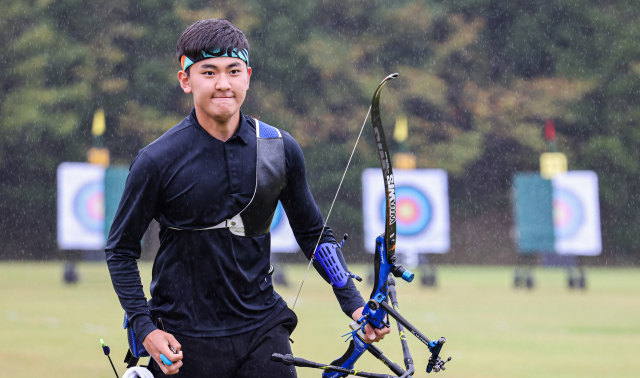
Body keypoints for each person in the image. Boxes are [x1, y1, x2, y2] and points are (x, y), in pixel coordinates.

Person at [105, 18, 389, 378]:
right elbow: (120, 249)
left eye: (233, 71)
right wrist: (146, 330)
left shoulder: (279, 148)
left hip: (263, 332)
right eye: (208, 72)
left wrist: (356, 305)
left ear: (248, 76)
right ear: (185, 80)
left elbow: (312, 234)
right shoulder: (156, 160)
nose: (223, 83)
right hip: (182, 338)